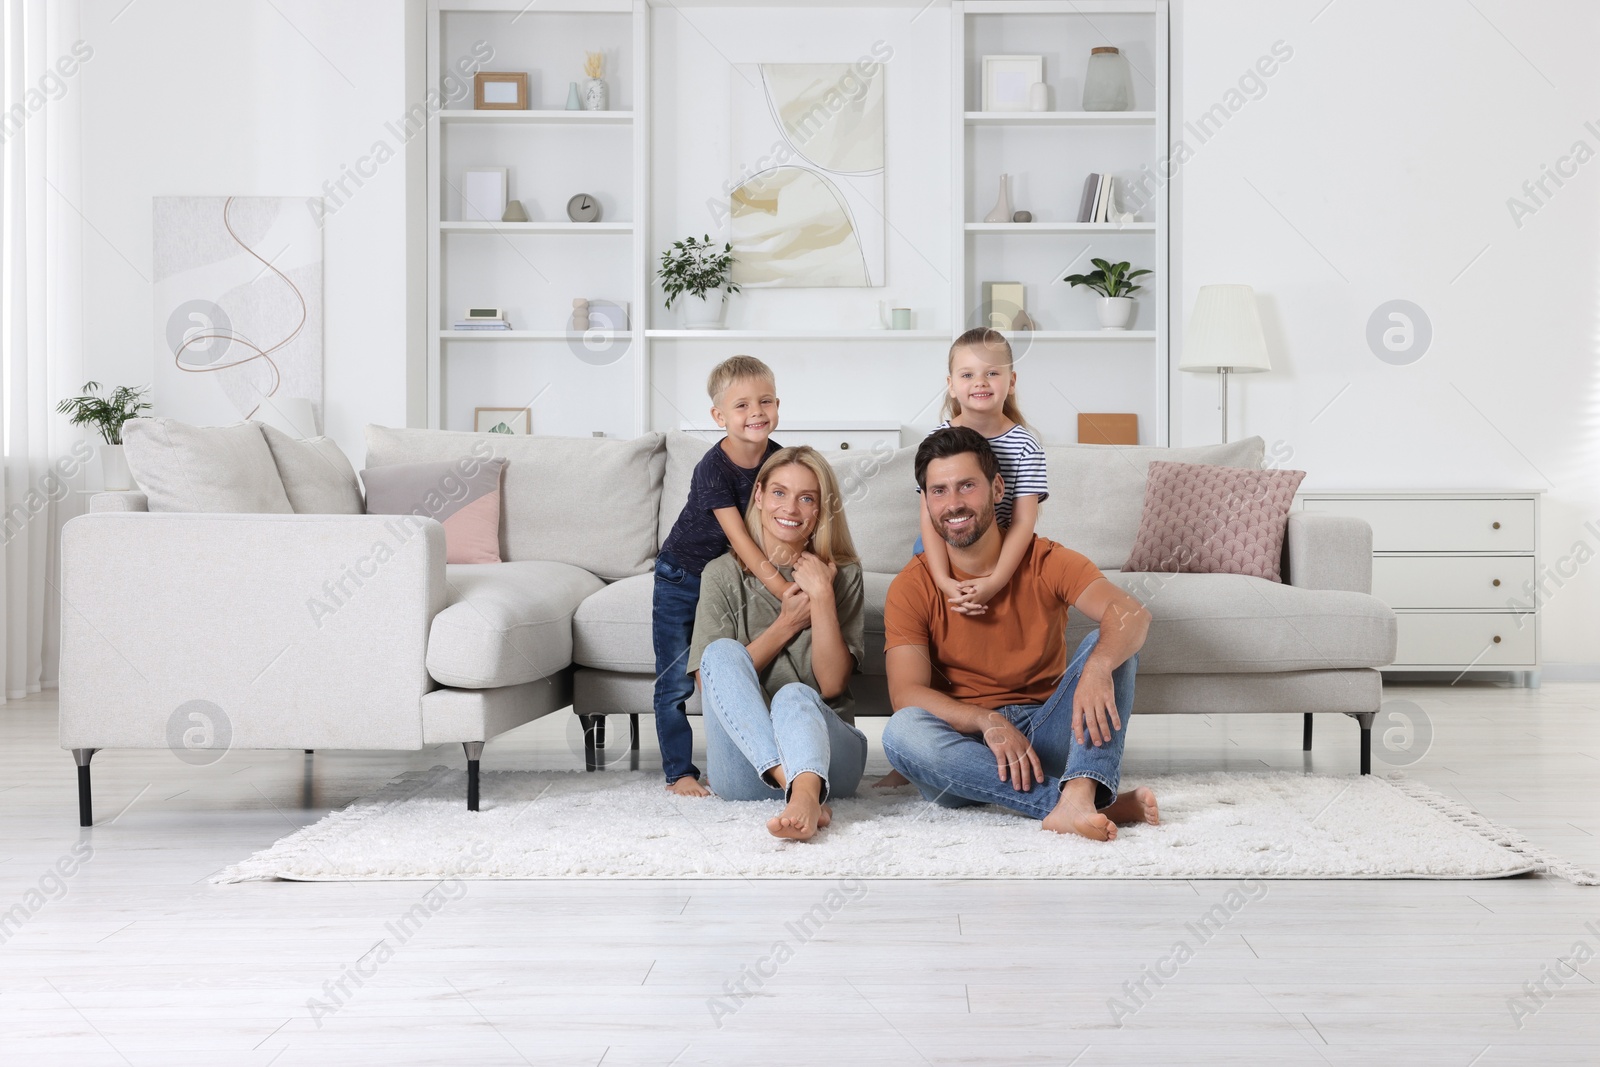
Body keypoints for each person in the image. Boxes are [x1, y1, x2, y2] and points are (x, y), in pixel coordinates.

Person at [882, 427, 1159, 841]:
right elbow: (906, 695)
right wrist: (985, 720)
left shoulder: (1046, 559)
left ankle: (1080, 789)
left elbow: (1131, 613)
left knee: (1112, 643)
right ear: (925, 501)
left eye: (967, 486)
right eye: (938, 491)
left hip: (1049, 735)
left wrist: (1100, 666)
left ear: (997, 488)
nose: (953, 503)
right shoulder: (913, 585)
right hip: (969, 750)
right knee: (902, 732)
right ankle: (1076, 804)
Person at [688, 446, 867, 841]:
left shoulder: (844, 573)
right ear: (759, 497)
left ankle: (805, 788)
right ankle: (801, 792)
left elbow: (833, 685)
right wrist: (786, 624)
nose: (792, 508)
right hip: (746, 770)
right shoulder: (721, 574)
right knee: (719, 653)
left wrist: (821, 596)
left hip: (832, 765)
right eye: (779, 493)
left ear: (821, 510)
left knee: (794, 696)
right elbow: (710, 682)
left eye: (807, 498)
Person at [654, 356, 789, 797]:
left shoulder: (779, 460)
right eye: (742, 405)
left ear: (778, 404)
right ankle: (679, 772)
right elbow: (743, 540)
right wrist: (786, 591)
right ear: (719, 416)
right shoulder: (713, 468)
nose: (756, 413)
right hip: (682, 576)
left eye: (765, 401)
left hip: (731, 583)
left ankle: (755, 759)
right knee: (674, 680)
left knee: (731, 668)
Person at [916, 327, 1048, 618]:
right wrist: (942, 579)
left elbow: (1023, 522)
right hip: (946, 540)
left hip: (998, 546)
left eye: (992, 373)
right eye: (967, 375)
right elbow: (928, 516)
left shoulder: (1025, 445)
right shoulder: (938, 439)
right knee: (919, 588)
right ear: (951, 385)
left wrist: (996, 580)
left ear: (1011, 381)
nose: (980, 383)